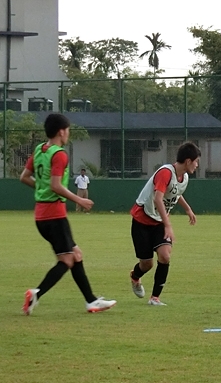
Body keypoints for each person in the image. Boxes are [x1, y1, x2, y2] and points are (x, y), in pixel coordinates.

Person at [19, 113, 117, 315]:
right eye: (68, 130)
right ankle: (35, 293)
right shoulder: (59, 154)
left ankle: (91, 301)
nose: (68, 134)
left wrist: (42, 189)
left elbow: (24, 177)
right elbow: (56, 186)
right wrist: (79, 199)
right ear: (62, 131)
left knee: (76, 255)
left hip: (41, 216)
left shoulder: (39, 150)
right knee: (67, 260)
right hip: (54, 216)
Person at [128, 141, 200, 306]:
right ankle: (135, 276)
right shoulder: (166, 172)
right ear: (188, 161)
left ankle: (155, 298)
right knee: (146, 264)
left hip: (159, 221)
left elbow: (175, 193)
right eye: (196, 161)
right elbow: (158, 198)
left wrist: (188, 209)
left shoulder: (184, 177)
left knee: (165, 256)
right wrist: (168, 225)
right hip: (142, 220)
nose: (197, 165)